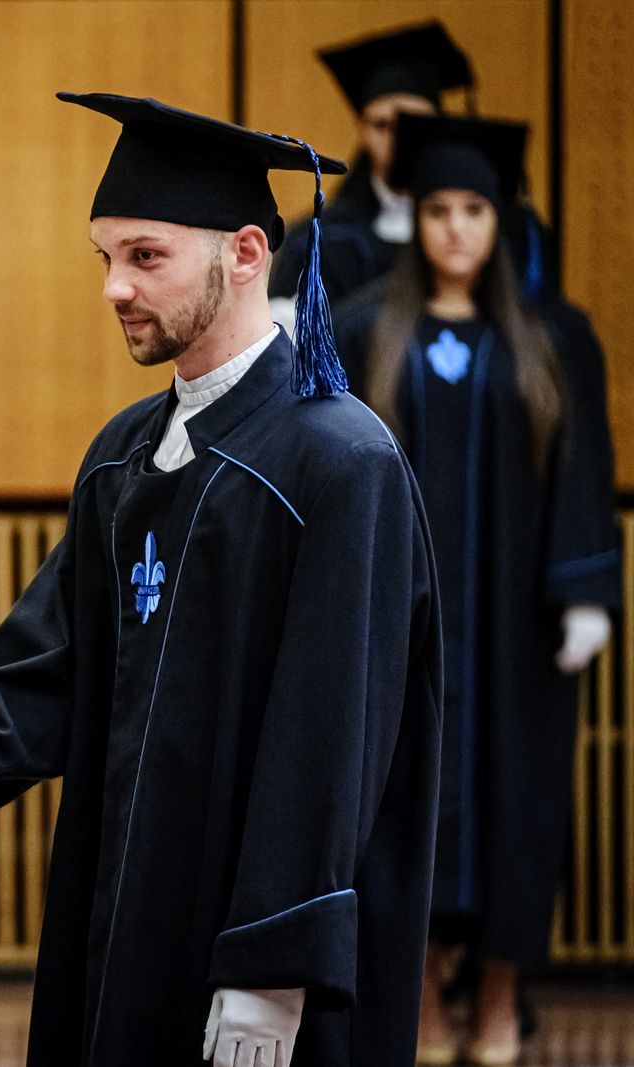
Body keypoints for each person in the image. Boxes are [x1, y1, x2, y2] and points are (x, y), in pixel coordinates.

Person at [0, 93, 444, 1066]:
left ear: (244, 253)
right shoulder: (122, 456)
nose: (114, 287)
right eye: (105, 257)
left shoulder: (340, 463)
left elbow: (332, 741)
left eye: (145, 256)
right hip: (119, 915)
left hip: (254, 965)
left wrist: (272, 964)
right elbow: (47, 674)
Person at [333, 114, 618, 1066]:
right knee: (397, 803)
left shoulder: (549, 340)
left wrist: (584, 591)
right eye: (439, 210)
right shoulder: (365, 331)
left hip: (514, 632)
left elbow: (581, 467)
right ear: (416, 219)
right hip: (397, 625)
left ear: (501, 221)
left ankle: (498, 992)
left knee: (517, 804)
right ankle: (415, 994)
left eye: (475, 210)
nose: (456, 228)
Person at [270, 21, 471, 321]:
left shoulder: (480, 236)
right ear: (362, 131)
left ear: (441, 127)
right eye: (382, 125)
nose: (399, 140)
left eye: (416, 125)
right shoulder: (320, 240)